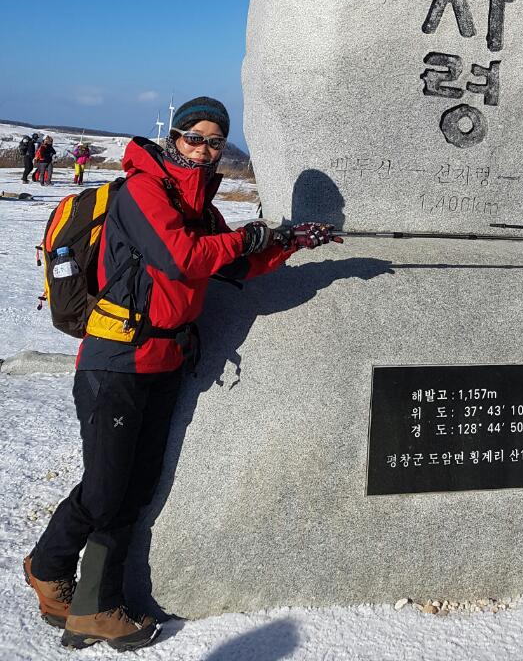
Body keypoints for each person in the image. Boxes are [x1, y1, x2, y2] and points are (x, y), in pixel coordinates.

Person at [22, 96, 338, 651]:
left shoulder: (200, 209)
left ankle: (95, 605)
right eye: (194, 138)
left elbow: (232, 263)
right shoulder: (143, 191)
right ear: (174, 138)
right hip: (116, 359)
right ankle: (47, 567)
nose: (204, 150)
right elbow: (180, 257)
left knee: (135, 487)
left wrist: (286, 242)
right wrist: (246, 236)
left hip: (165, 362)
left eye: (215, 142)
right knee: (105, 489)